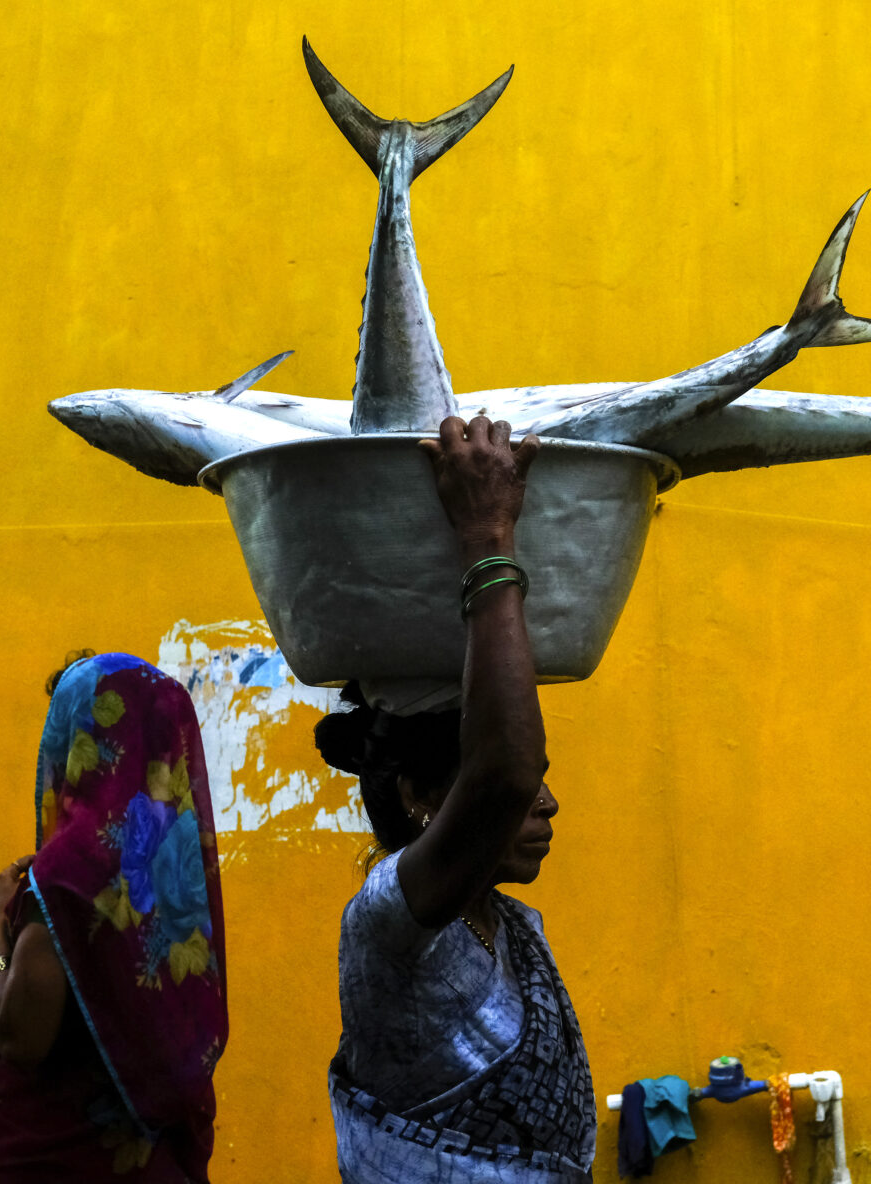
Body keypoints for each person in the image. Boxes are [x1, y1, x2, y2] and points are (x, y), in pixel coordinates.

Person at [313, 416, 596, 1182]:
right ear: (420, 796)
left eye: (541, 780)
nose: (546, 803)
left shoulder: (506, 930)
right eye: (528, 780)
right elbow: (502, 771)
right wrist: (486, 533)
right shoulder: (391, 926)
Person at [0, 653, 229, 1182]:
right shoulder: (174, 869)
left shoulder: (69, 872)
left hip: (56, 1161)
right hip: (150, 1160)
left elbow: (23, 1035)